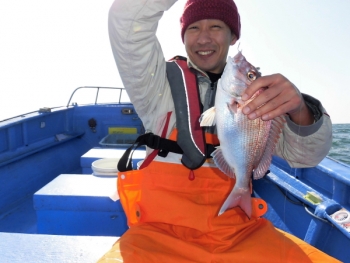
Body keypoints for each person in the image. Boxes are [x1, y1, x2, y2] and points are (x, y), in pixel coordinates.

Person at [98, 0, 338, 262]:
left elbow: (306, 157)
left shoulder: (260, 96)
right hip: (157, 236)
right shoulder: (155, 84)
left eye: (215, 26)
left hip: (240, 233)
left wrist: (301, 110)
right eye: (193, 28)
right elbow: (126, 18)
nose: (203, 38)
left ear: (233, 35)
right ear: (183, 36)